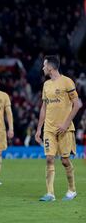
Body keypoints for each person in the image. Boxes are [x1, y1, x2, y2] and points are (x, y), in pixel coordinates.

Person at [35, 55, 81, 201]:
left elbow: (77, 104)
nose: (42, 68)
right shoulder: (46, 85)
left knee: (65, 160)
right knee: (49, 158)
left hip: (64, 129)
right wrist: (38, 129)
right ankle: (50, 193)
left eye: (44, 65)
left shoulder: (67, 82)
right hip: (49, 128)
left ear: (50, 67)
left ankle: (72, 190)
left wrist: (66, 124)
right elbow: (44, 107)